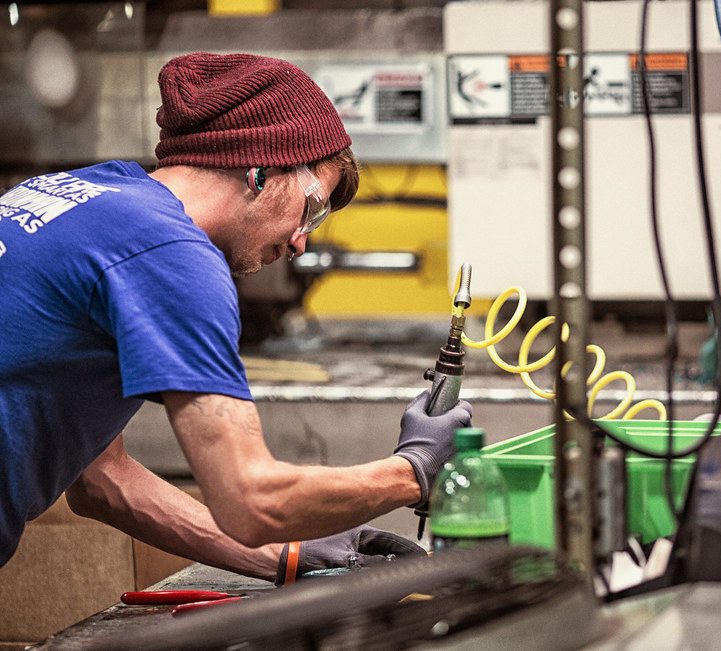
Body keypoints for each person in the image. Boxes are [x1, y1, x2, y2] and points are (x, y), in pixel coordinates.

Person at [0, 52, 472, 582]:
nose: (300, 242)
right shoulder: (170, 254)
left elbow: (102, 482)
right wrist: (413, 469)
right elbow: (251, 501)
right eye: (313, 209)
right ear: (261, 170)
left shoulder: (74, 198)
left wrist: (285, 555)